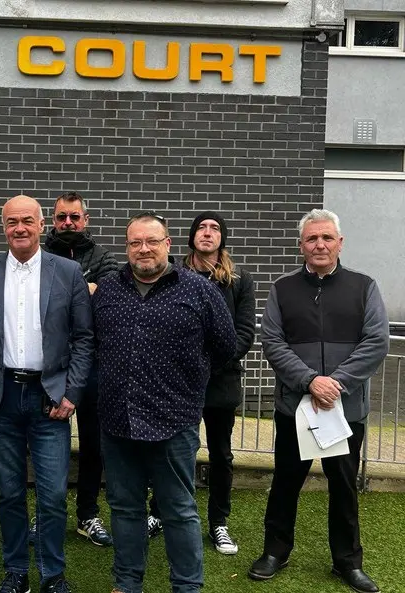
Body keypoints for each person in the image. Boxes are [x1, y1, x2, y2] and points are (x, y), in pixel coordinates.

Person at [92, 212, 236, 593]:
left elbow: (224, 346)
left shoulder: (198, 290)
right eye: (135, 242)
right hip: (117, 420)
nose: (143, 249)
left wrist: (190, 383)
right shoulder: (108, 290)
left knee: (178, 510)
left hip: (174, 420)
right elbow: (92, 346)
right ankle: (127, 583)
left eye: (152, 241)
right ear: (127, 247)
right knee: (124, 509)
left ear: (168, 244)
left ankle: (187, 586)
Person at [248, 209, 388, 593]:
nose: (320, 245)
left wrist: (336, 383)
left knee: (343, 486)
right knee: (285, 482)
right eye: (312, 239)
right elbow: (272, 342)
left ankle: (347, 562)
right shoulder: (282, 288)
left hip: (346, 410)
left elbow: (377, 342)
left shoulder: (365, 286)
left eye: (327, 238)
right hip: (295, 409)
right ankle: (276, 550)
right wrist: (309, 381)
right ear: (301, 246)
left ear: (340, 243)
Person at [0, 195, 94, 593]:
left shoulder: (68, 271)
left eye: (27, 221)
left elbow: (84, 338)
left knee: (52, 494)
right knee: (11, 493)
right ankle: (16, 571)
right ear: (3, 227)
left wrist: (72, 392)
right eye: (11, 222)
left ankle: (53, 574)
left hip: (48, 398)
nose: (20, 228)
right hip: (1, 398)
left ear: (40, 225)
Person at [146, 212, 255, 554]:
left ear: (223, 238)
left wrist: (209, 363)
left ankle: (219, 522)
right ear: (191, 236)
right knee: (173, 451)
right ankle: (159, 512)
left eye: (215, 229)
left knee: (221, 455)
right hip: (179, 384)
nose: (208, 234)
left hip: (220, 384)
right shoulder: (172, 276)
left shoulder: (238, 281)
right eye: (201, 228)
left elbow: (245, 334)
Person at [40, 191, 118, 547]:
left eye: (74, 217)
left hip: (93, 363)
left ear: (85, 220)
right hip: (49, 364)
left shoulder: (102, 256)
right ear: (52, 221)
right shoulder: (39, 256)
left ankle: (87, 514)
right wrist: (81, 289)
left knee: (93, 445)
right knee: (46, 444)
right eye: (61, 217)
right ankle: (46, 518)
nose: (67, 223)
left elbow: (109, 296)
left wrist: (72, 292)